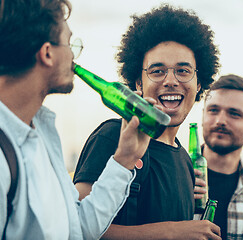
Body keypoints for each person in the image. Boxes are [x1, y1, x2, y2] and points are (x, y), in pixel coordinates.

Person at [0, 0, 149, 239]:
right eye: (69, 43)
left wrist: (125, 158)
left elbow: (77, 228)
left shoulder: (41, 134)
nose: (73, 56)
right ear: (47, 53)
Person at [73, 4, 222, 240]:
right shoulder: (113, 136)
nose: (171, 80)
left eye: (183, 71)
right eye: (157, 71)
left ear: (199, 83)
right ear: (138, 84)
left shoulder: (185, 161)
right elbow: (75, 229)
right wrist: (174, 232)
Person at [195, 74, 243, 239]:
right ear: (203, 116)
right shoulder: (174, 177)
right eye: (213, 110)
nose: (220, 120)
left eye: (234, 114)